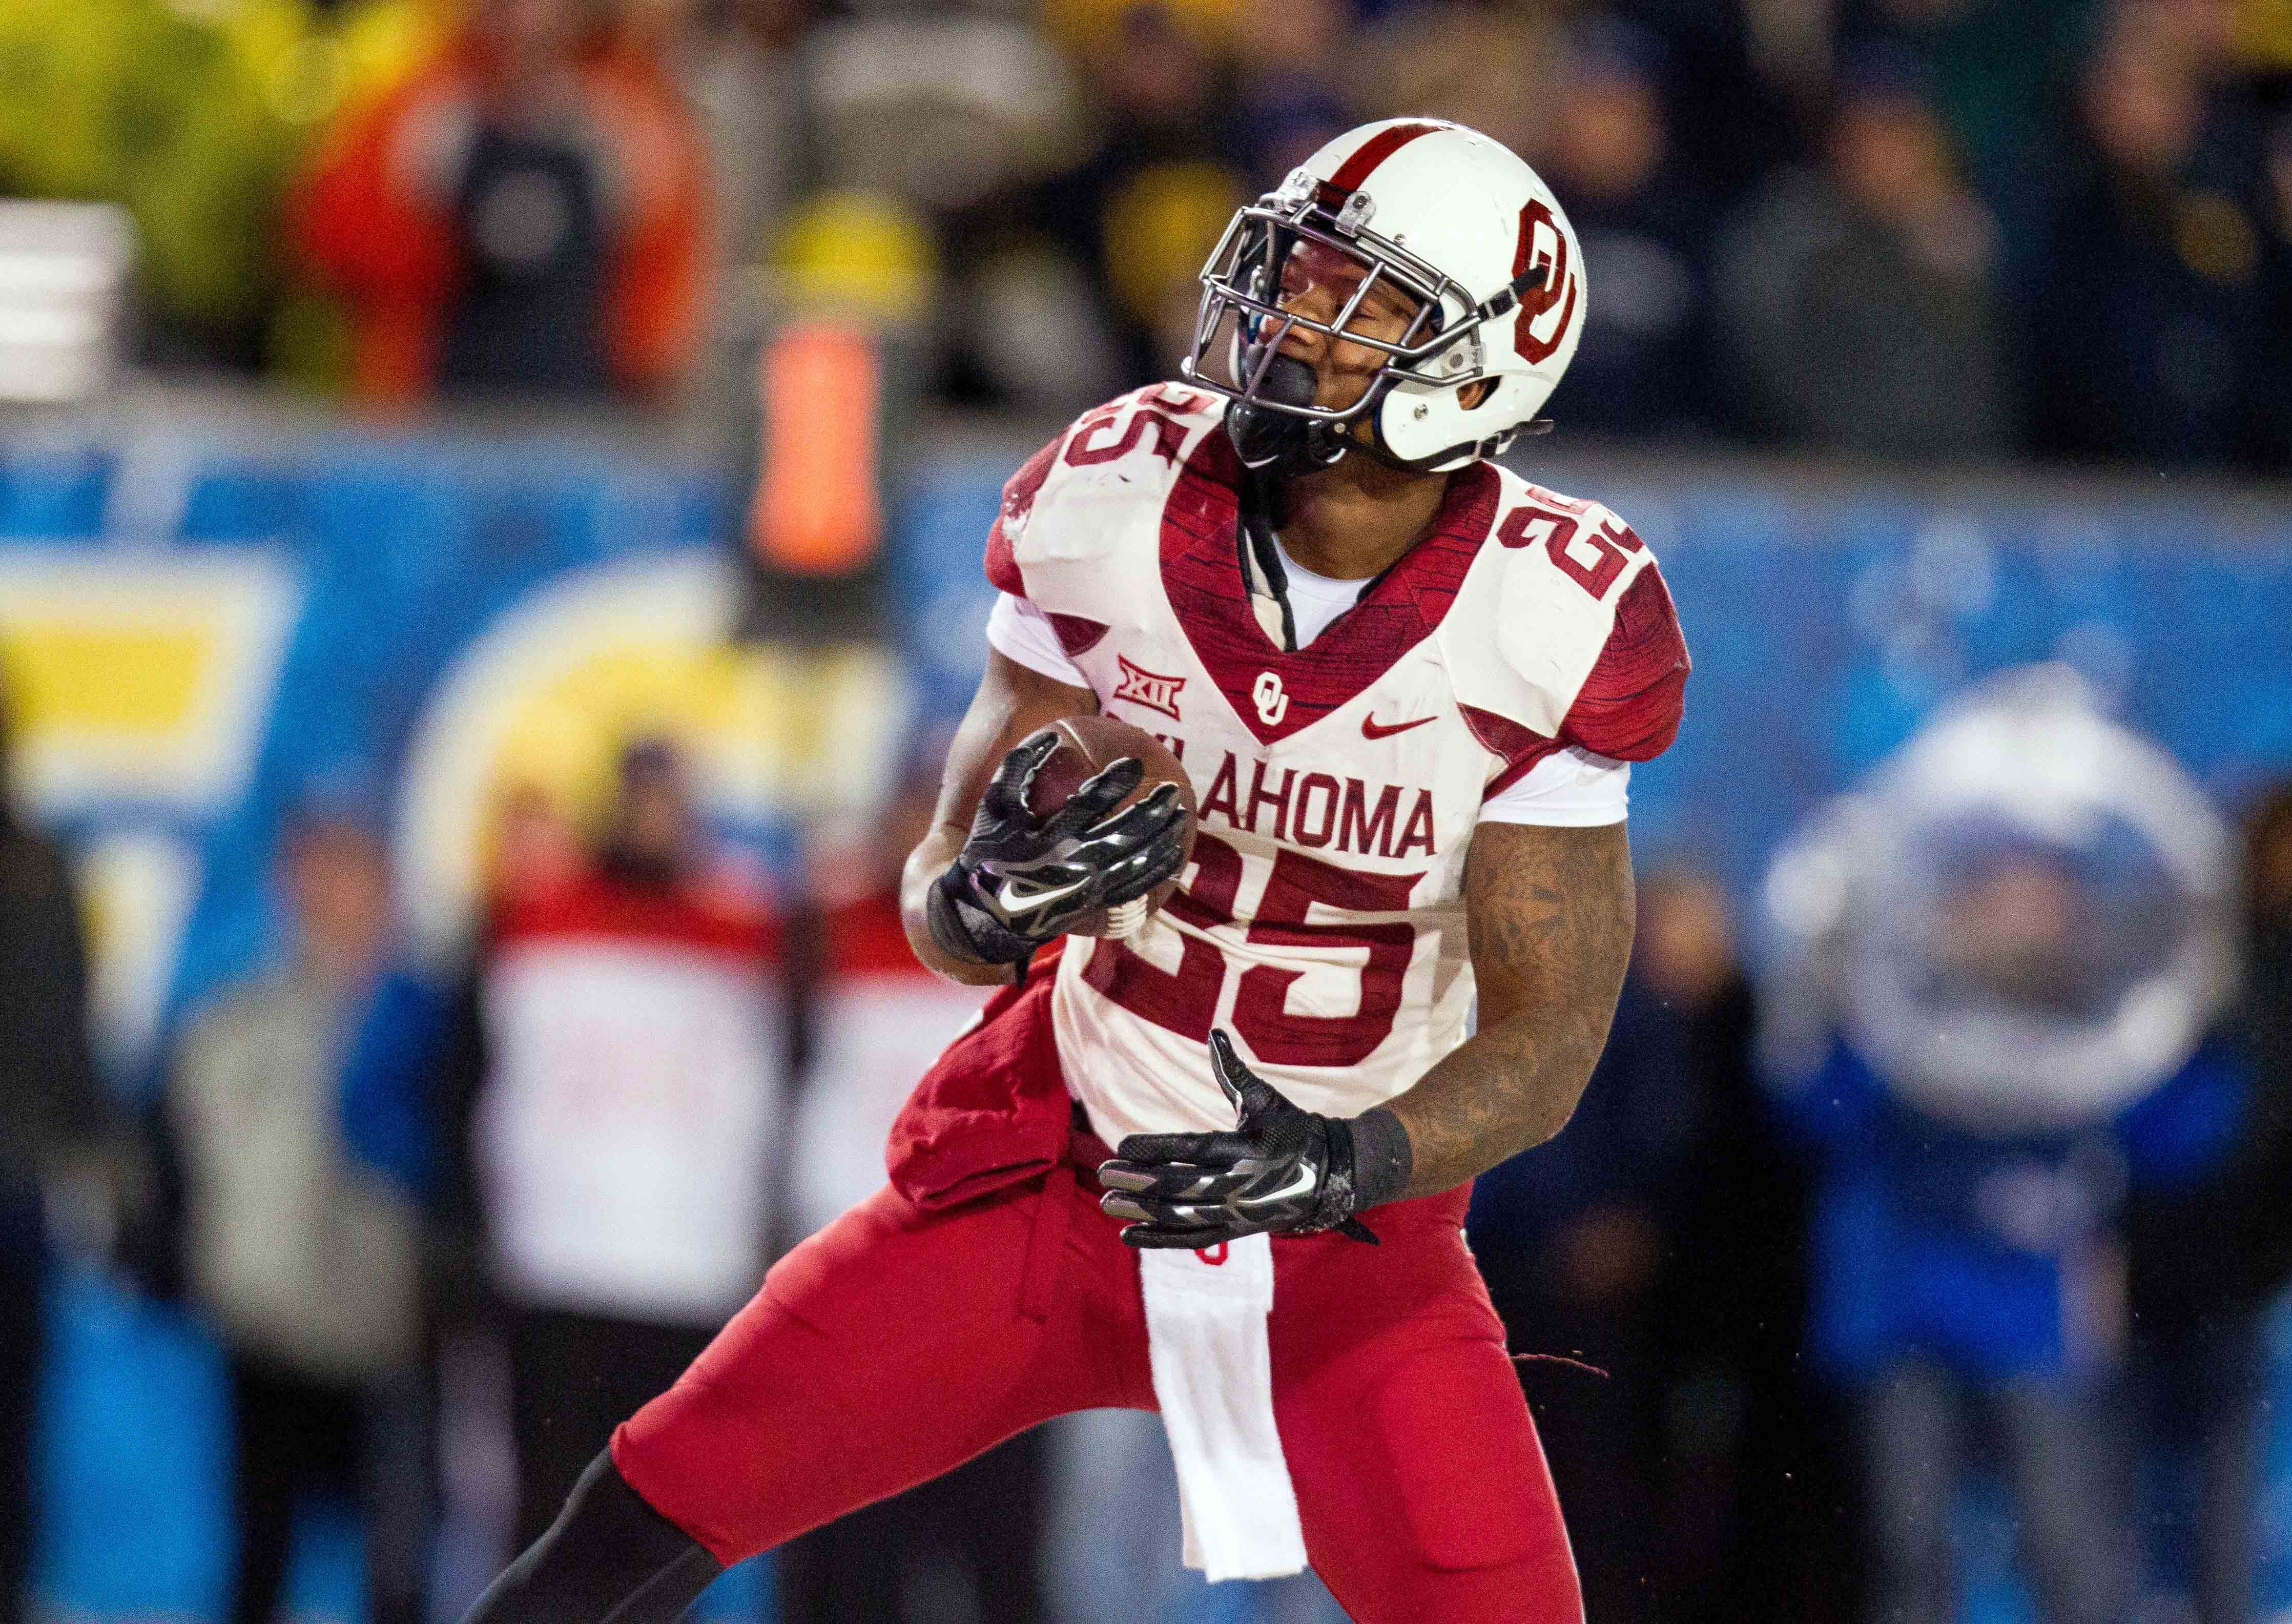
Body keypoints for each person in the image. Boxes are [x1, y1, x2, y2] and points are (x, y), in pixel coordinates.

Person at [462, 116, 1689, 1624]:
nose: (1287, 316)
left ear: (1483, 365)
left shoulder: (1551, 614)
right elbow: (943, 897)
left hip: (1350, 1258)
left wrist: (1338, 1159)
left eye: (1356, 300)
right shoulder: (1118, 494)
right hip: (1047, 1189)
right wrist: (988, 894)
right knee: (648, 1501)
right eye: (1292, 269)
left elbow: (1551, 1033)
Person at [432, 737, 790, 1553]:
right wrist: (468, 1225)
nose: (656, 821)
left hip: (691, 1278)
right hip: (555, 1273)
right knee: (547, 1519)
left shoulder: (756, 928)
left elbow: (792, 1085)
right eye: (641, 801)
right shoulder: (527, 916)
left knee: (665, 1538)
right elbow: (462, 1078)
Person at [158, 801, 433, 1624]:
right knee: (261, 1544)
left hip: (390, 1329)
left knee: (395, 1559)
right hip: (268, 1324)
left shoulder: (430, 1018)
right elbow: (190, 1156)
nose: (330, 889)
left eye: (352, 867)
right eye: (315, 867)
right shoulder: (232, 1022)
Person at [291, 0, 709, 402]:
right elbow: (329, 241)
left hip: (586, 425)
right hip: (434, 415)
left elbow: (665, 302)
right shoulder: (428, 105)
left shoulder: (632, 117)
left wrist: (645, 382)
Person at [0, 680, 110, 1624]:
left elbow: (70, 1037)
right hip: (20, 1187)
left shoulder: (41, 872)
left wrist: (93, 1160)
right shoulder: (42, 869)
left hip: (14, 1194)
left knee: (14, 1428)